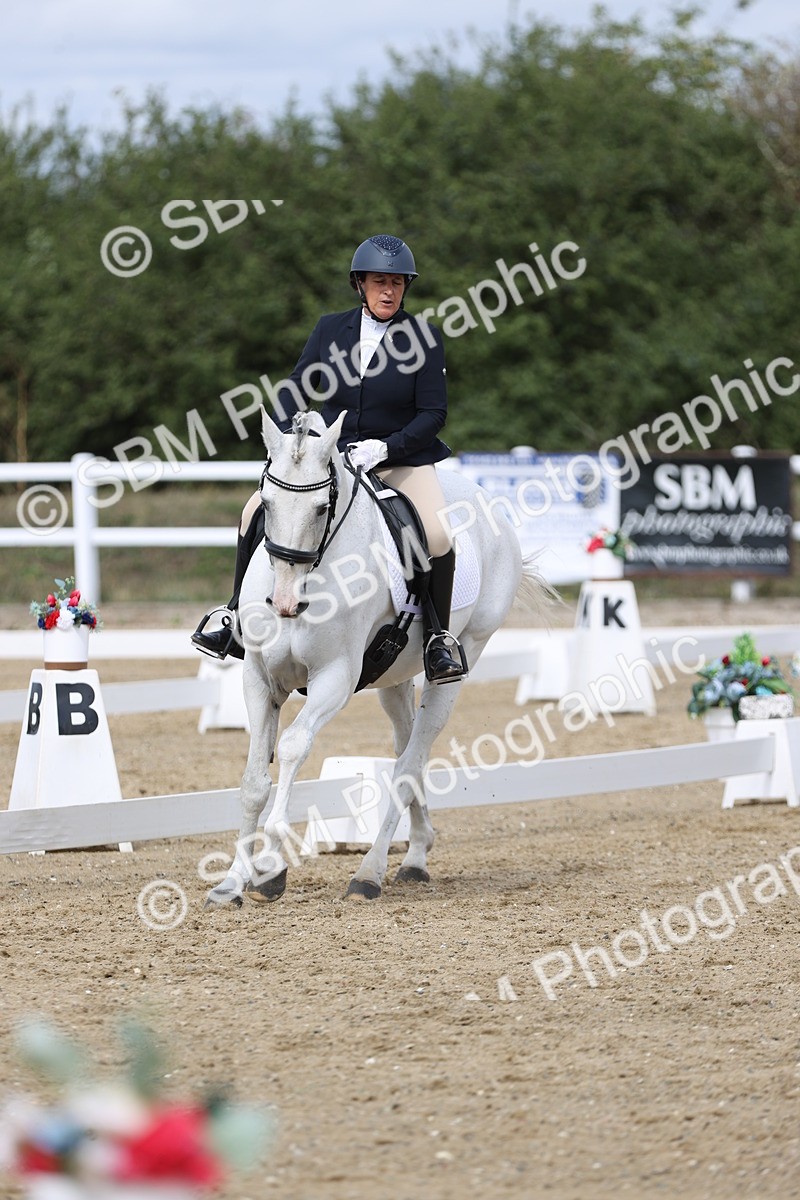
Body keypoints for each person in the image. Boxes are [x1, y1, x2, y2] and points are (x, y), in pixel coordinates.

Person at [191, 233, 466, 683]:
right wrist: (283, 438)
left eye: (397, 283)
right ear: (359, 284)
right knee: (252, 512)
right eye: (379, 282)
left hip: (399, 457)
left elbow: (434, 413)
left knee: (436, 534)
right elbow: (296, 386)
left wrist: (388, 446)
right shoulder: (329, 329)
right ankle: (233, 616)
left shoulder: (424, 337)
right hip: (332, 453)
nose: (388, 291)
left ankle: (438, 638)